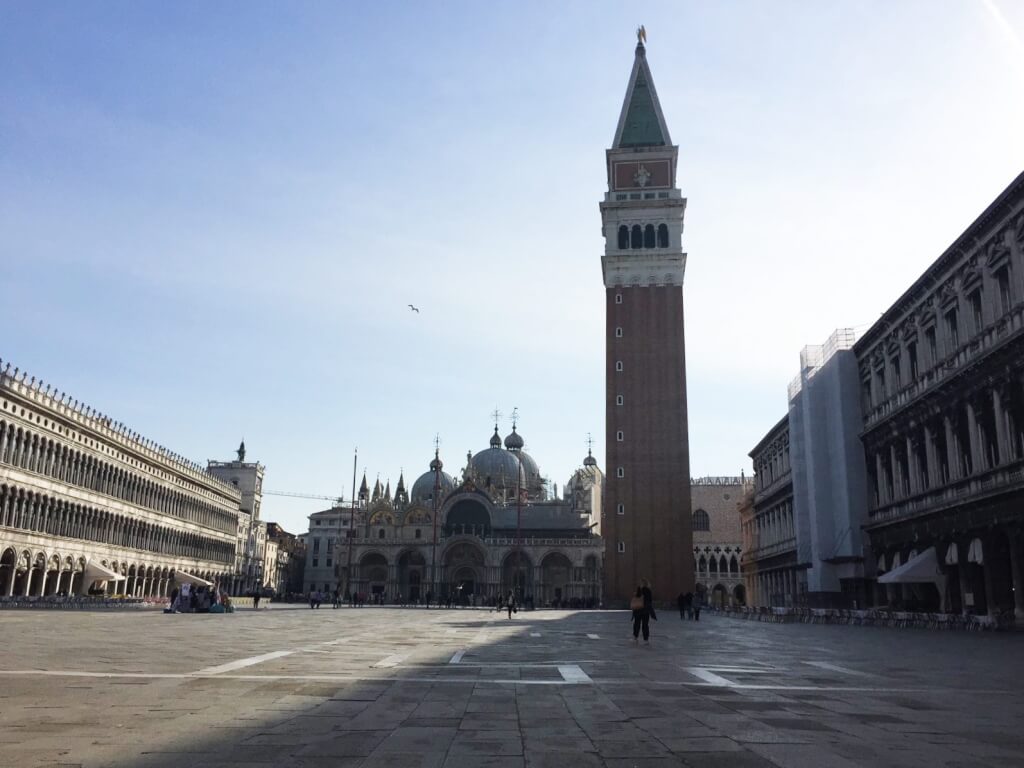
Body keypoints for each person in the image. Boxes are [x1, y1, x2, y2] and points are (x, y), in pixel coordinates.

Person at [631, 579, 657, 645]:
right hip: (645, 611)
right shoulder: (648, 591)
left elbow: (635, 599)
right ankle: (646, 639)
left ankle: (635, 637)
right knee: (645, 625)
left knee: (637, 624)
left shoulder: (638, 590)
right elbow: (650, 601)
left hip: (637, 610)